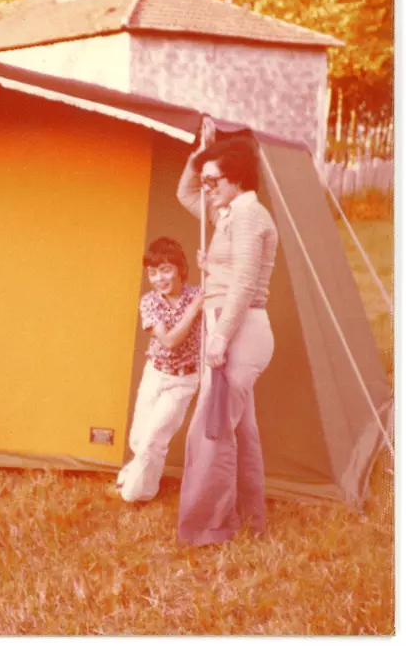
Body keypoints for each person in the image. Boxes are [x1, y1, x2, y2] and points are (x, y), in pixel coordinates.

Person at [175, 134, 278, 546]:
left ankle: (209, 529)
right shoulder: (229, 214)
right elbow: (185, 192)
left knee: (212, 429)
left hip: (239, 329)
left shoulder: (251, 216)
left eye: (214, 180)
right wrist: (201, 154)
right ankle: (251, 519)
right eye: (207, 181)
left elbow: (244, 283)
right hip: (227, 326)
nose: (207, 188)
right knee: (240, 431)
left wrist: (219, 337)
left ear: (237, 180)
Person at [108, 237, 204, 503]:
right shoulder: (150, 302)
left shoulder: (199, 294)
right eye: (152, 272)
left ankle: (133, 494)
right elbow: (170, 341)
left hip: (183, 380)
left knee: (154, 439)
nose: (159, 278)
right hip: (155, 373)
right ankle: (138, 479)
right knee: (139, 439)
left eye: (165, 269)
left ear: (180, 269)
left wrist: (209, 266)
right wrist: (195, 310)